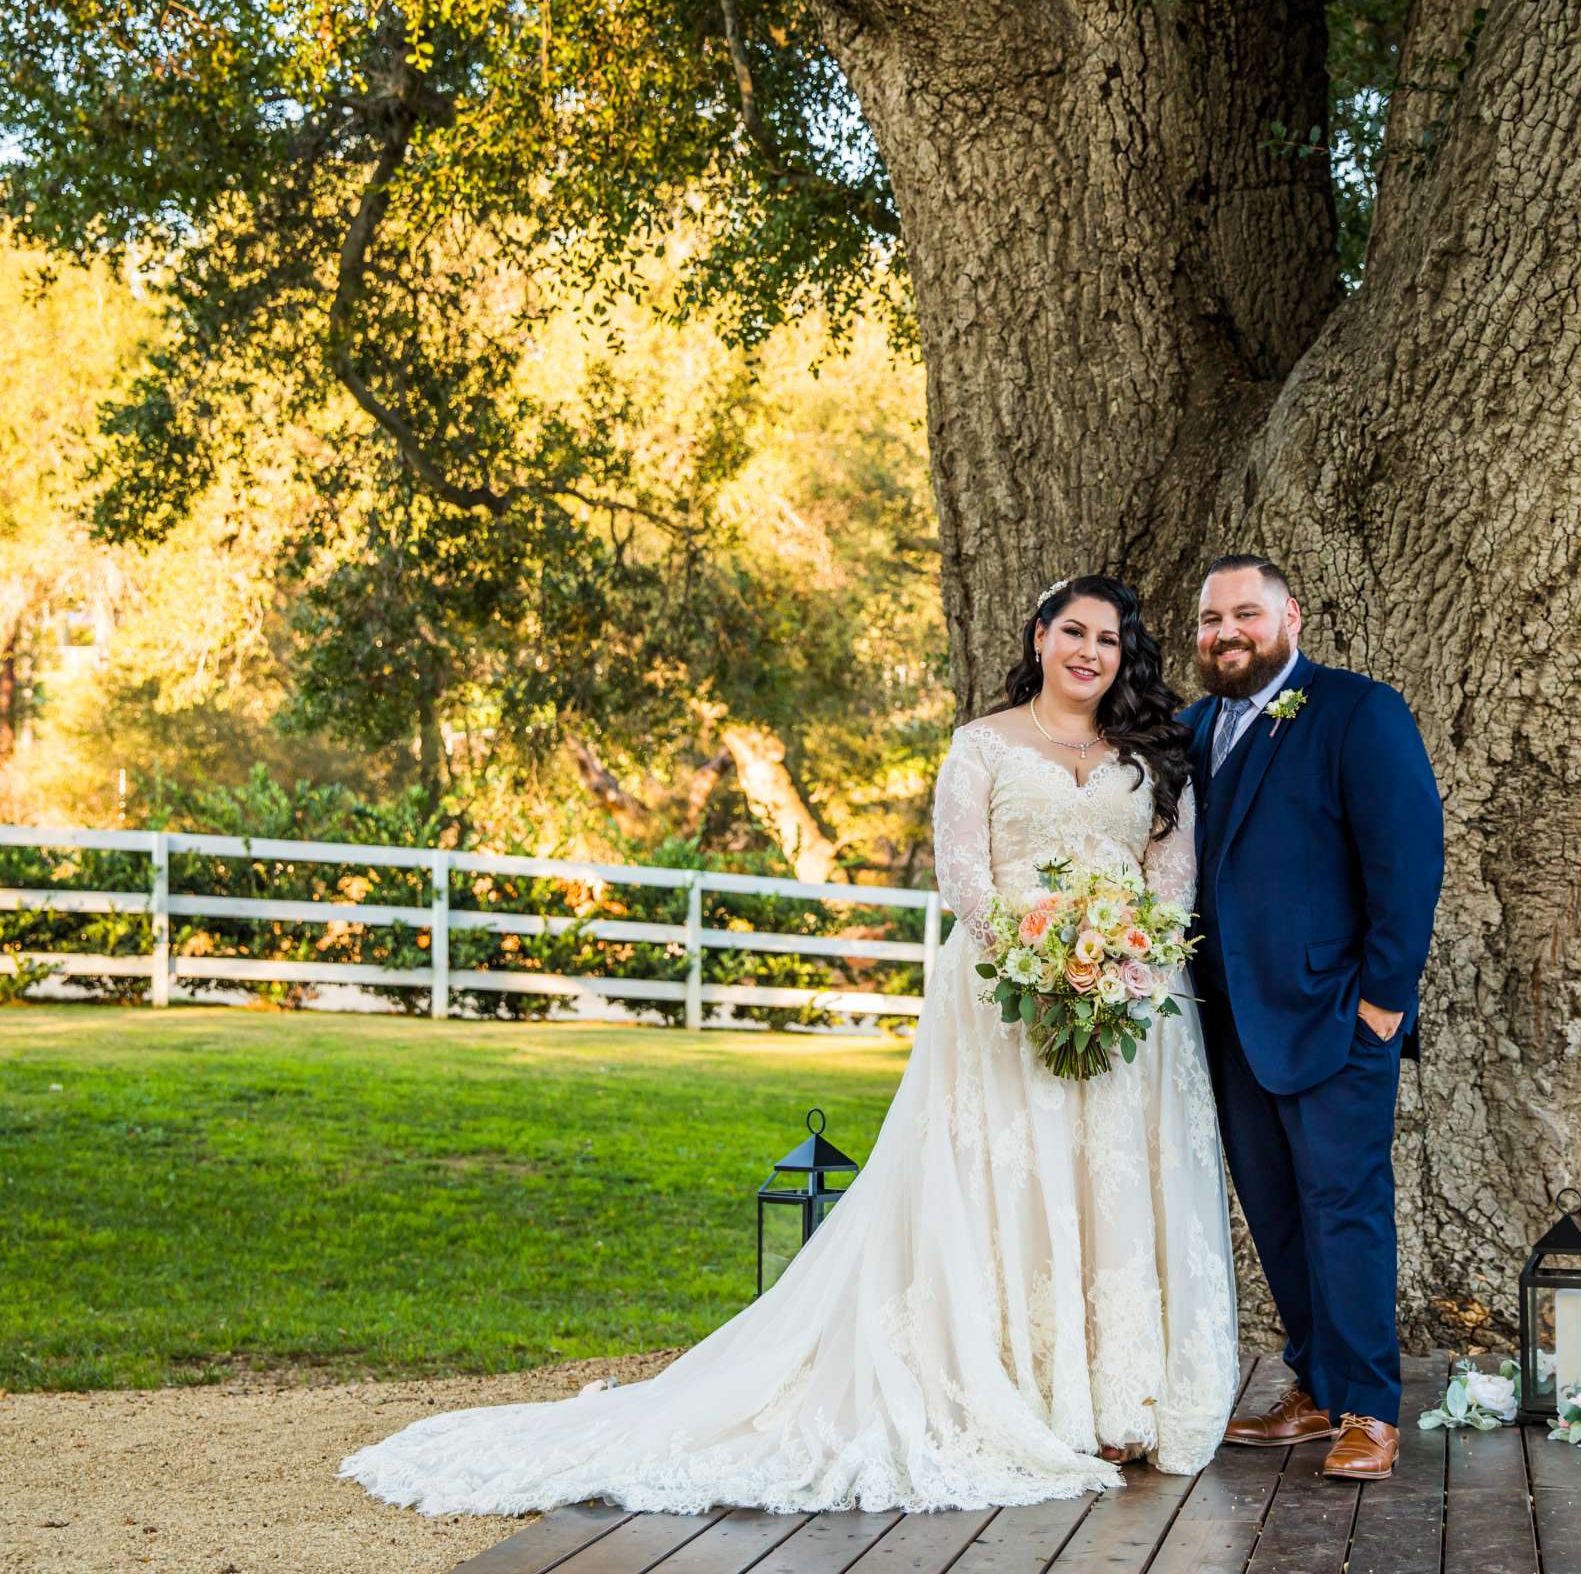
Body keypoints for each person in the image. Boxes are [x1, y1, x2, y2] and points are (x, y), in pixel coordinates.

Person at [339, 574, 1241, 1516]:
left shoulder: (1150, 755)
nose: (1089, 652)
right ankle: (1022, 1390)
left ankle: (1119, 1398)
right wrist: (1043, 958)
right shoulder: (980, 747)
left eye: (1107, 638)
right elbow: (965, 882)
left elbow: (1168, 883)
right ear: (1040, 636)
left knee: (1111, 1186)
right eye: (1073, 632)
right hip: (1003, 997)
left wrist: (1125, 958)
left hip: (1132, 1005)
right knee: (1006, 1185)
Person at [1180, 554, 1444, 1483]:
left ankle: (1371, 1409)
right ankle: (1317, 1388)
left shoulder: (1356, 711)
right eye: (1212, 621)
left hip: (1336, 1016)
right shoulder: (1191, 727)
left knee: (1347, 1213)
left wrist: (1381, 1004)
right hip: (1227, 1026)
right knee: (1278, 1219)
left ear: (1291, 615)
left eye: (1245, 614)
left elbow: (1408, 863)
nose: (1227, 633)